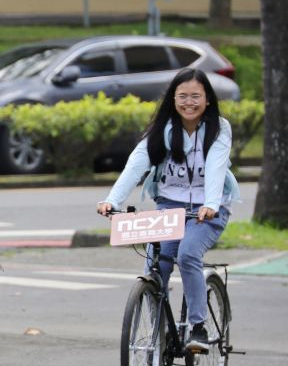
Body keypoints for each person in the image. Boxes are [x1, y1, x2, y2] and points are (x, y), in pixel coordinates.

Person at [97, 67, 240, 351]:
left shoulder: (219, 128)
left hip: (208, 210)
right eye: (183, 96)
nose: (189, 102)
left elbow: (215, 168)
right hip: (169, 208)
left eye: (196, 96)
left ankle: (198, 328)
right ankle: (158, 330)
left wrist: (211, 204)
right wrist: (113, 199)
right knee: (155, 265)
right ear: (173, 99)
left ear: (208, 99)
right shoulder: (163, 130)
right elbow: (137, 163)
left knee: (188, 254)